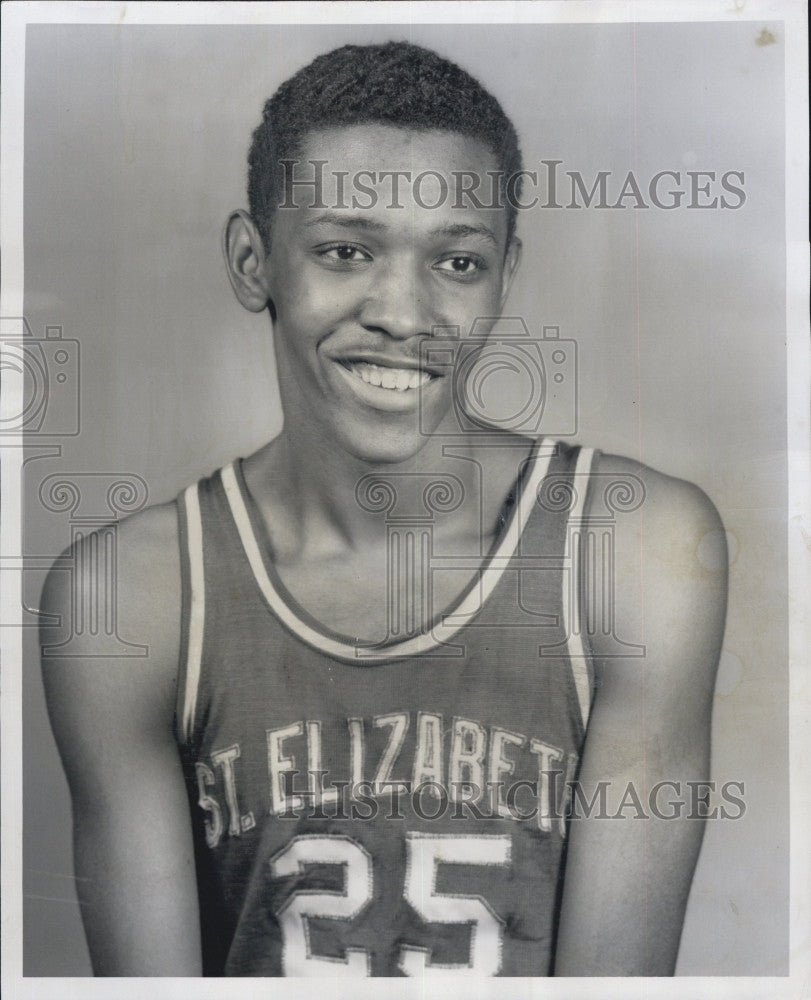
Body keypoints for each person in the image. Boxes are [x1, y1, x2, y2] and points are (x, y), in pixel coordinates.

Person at [40, 41, 728, 977]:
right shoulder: (126, 598)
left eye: (456, 260)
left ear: (503, 276)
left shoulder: (635, 549)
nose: (402, 312)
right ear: (254, 262)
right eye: (345, 250)